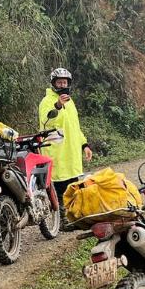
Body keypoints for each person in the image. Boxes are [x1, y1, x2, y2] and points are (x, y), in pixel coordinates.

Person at [38, 67, 93, 207]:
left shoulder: (71, 102)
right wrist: (57, 106)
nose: (62, 85)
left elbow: (75, 127)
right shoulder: (47, 101)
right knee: (59, 189)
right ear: (53, 84)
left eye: (65, 82)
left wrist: (84, 145)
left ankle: (73, 216)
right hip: (57, 154)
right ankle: (61, 219)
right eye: (59, 82)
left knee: (74, 187)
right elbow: (46, 122)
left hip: (71, 154)